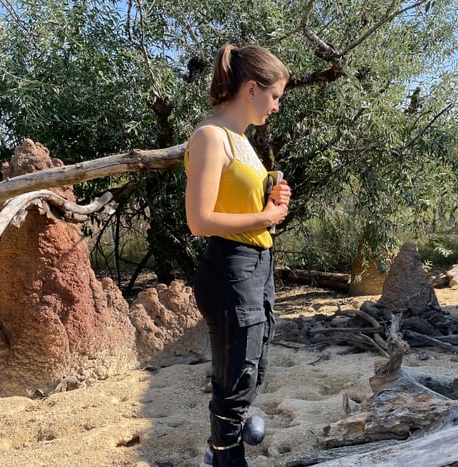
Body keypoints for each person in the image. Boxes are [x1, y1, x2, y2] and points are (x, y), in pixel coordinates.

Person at [184, 43, 291, 467]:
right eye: (275, 96)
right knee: (236, 372)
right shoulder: (210, 137)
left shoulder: (242, 141)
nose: (277, 107)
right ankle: (225, 454)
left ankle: (233, 426)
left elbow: (243, 206)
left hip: (257, 266)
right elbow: (200, 220)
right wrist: (263, 216)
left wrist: (272, 198)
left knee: (253, 360)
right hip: (231, 266)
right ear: (251, 89)